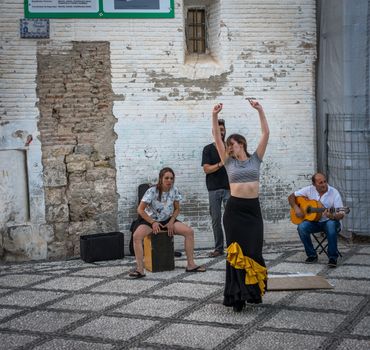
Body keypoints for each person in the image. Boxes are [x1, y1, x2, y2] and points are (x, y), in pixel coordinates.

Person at [212, 99, 269, 312]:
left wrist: (260, 110)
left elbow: (265, 134)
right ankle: (237, 297)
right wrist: (214, 115)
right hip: (234, 212)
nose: (229, 147)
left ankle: (252, 292)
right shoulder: (229, 163)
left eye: (232, 144)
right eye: (228, 145)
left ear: (241, 144)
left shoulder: (256, 159)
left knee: (253, 250)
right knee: (236, 253)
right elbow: (216, 138)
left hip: (253, 212)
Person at [129, 167, 206, 278]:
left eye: (171, 178)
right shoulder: (152, 191)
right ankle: (140, 270)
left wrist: (171, 221)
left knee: (189, 232)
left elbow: (177, 209)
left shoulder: (174, 190)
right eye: (166, 178)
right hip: (151, 221)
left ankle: (191, 265)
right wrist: (153, 222)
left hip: (167, 220)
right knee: (137, 236)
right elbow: (140, 210)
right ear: (161, 179)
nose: (169, 180)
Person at [288, 173, 345, 268]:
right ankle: (312, 255)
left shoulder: (334, 193)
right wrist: (296, 208)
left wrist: (332, 215)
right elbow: (291, 197)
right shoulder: (309, 190)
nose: (324, 184)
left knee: (331, 225)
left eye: (325, 181)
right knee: (301, 227)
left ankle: (332, 257)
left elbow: (341, 214)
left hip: (330, 222)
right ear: (314, 185)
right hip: (314, 222)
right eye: (320, 183)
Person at [201, 118, 230, 258]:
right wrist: (220, 164)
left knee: (231, 218)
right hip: (213, 189)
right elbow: (206, 169)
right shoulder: (208, 149)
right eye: (218, 130)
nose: (221, 132)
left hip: (230, 189)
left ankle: (233, 247)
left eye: (223, 129)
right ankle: (219, 248)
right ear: (213, 132)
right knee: (216, 220)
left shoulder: (230, 148)